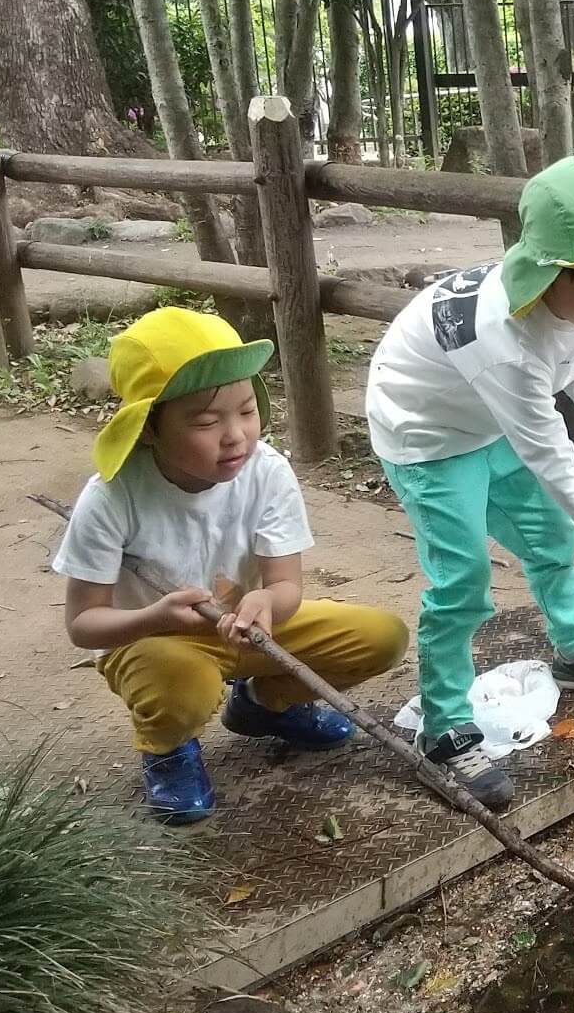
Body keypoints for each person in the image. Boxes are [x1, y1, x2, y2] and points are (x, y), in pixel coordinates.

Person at [366, 155, 574, 812]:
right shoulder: (505, 338)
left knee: (549, 535)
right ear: (546, 274)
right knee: (462, 580)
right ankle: (447, 727)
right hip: (427, 441)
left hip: (490, 425)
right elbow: (553, 457)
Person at [54, 307, 410, 825]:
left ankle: (266, 704)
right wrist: (155, 617)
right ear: (149, 430)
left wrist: (266, 600)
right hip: (154, 640)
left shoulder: (266, 470)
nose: (235, 435)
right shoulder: (112, 497)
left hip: (246, 629)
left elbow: (285, 585)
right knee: (184, 684)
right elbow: (83, 625)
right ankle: (168, 747)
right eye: (204, 421)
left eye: (246, 411)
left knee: (382, 636)